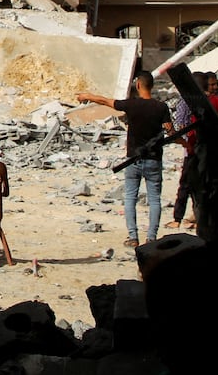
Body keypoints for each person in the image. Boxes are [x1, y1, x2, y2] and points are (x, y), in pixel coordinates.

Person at [77, 71, 173, 247]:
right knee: (154, 200)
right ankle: (151, 237)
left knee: (130, 198)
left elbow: (106, 101)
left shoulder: (131, 105)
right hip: (154, 160)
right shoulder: (161, 107)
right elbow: (170, 129)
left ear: (138, 85)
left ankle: (133, 237)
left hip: (133, 160)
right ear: (151, 85)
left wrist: (88, 96)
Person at [164, 71, 206, 230]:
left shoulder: (184, 103)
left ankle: (178, 218)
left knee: (186, 185)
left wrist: (186, 144)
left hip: (192, 151)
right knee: (201, 185)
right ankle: (198, 216)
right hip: (206, 150)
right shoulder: (208, 101)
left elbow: (180, 127)